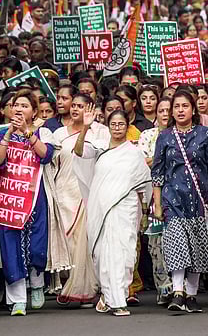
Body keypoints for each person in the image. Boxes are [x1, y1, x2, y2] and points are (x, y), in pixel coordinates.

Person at [72, 108, 152, 316]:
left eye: (121, 124)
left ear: (128, 127)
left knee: (124, 255)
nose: (117, 128)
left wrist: (145, 213)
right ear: (108, 126)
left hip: (126, 210)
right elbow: (79, 152)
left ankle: (114, 298)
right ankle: (114, 299)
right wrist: (86, 127)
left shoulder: (134, 153)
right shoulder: (100, 148)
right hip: (101, 209)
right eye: (113, 124)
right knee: (103, 255)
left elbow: (144, 186)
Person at [151, 89, 208, 314]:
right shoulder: (165, 137)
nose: (180, 110)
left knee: (197, 246)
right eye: (177, 107)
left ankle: (191, 295)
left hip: (199, 198)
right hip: (173, 199)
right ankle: (178, 291)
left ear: (193, 109)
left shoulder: (205, 134)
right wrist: (158, 204)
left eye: (185, 106)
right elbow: (158, 173)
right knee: (177, 243)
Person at [0, 89, 55, 316]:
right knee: (11, 245)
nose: (19, 109)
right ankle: (17, 299)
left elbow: (46, 156)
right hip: (9, 199)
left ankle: (37, 284)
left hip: (35, 196)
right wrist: (9, 133)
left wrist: (28, 134)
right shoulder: (1, 133)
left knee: (36, 242)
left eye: (24, 106)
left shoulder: (43, 132)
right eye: (15, 105)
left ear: (34, 111)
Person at [46, 93, 107, 306]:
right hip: (62, 190)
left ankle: (86, 290)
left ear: (90, 109)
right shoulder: (59, 133)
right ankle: (68, 283)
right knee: (66, 241)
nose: (75, 110)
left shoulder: (100, 131)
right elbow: (51, 162)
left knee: (84, 242)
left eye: (81, 106)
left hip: (87, 190)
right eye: (73, 106)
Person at [138, 98, 172, 306]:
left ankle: (179, 286)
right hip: (152, 195)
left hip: (178, 195)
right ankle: (163, 287)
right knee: (155, 244)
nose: (165, 114)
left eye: (169, 110)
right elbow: (143, 164)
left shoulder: (183, 135)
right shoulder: (147, 135)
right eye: (162, 110)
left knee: (176, 241)